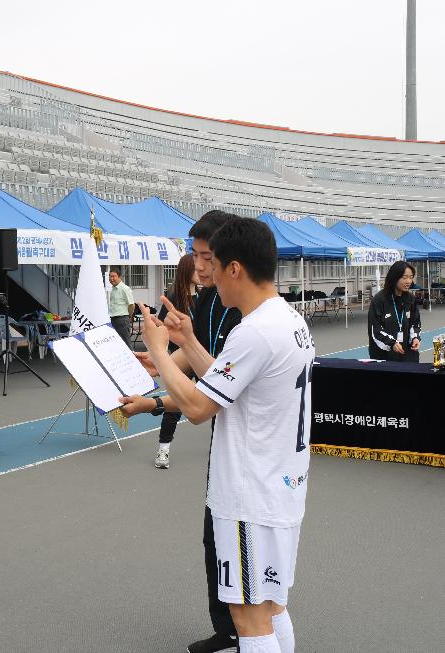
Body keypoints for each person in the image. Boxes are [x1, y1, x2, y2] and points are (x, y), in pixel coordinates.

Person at [135, 217, 313, 653]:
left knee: (247, 615)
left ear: (235, 269)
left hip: (250, 493)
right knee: (271, 605)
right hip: (281, 485)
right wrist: (189, 342)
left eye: (214, 264)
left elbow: (198, 407)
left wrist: (159, 349)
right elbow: (228, 381)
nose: (208, 274)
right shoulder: (287, 319)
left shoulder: (252, 331)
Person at [120, 210, 244, 653]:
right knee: (216, 536)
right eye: (194, 255)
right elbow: (197, 360)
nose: (200, 266)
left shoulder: (248, 316)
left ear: (234, 258)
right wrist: (159, 364)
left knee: (241, 548)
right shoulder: (211, 300)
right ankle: (230, 631)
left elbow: (204, 399)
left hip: (251, 453)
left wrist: (154, 398)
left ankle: (246, 633)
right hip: (229, 442)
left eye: (207, 256)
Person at [153, 253, 202, 470]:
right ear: (186, 271)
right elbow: (160, 326)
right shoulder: (173, 297)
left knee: (216, 399)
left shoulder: (205, 295)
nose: (201, 271)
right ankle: (164, 448)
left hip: (201, 356)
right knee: (176, 405)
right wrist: (158, 355)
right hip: (179, 359)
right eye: (196, 268)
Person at [368, 261, 421, 362]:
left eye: (411, 277)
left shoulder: (411, 299)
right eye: (404, 277)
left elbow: (415, 323)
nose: (408, 281)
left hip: (408, 355)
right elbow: (376, 330)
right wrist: (392, 343)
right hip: (385, 357)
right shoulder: (379, 300)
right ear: (394, 277)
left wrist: (415, 338)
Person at [107, 268, 135, 349]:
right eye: (110, 276)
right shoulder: (113, 289)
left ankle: (133, 359)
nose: (111, 279)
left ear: (120, 277)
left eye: (113, 276)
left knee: (126, 343)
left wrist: (129, 316)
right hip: (113, 319)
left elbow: (131, 305)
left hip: (122, 319)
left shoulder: (125, 289)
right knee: (117, 343)